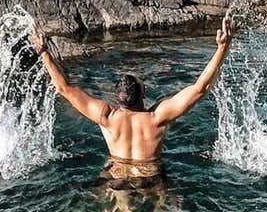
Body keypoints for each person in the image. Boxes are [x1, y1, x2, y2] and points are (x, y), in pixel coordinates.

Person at [31, 15, 235, 178]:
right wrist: (222, 47)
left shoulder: (107, 117)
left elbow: (64, 89)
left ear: (117, 98)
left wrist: (43, 51)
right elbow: (199, 88)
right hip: (151, 176)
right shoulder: (157, 118)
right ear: (143, 93)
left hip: (116, 176)